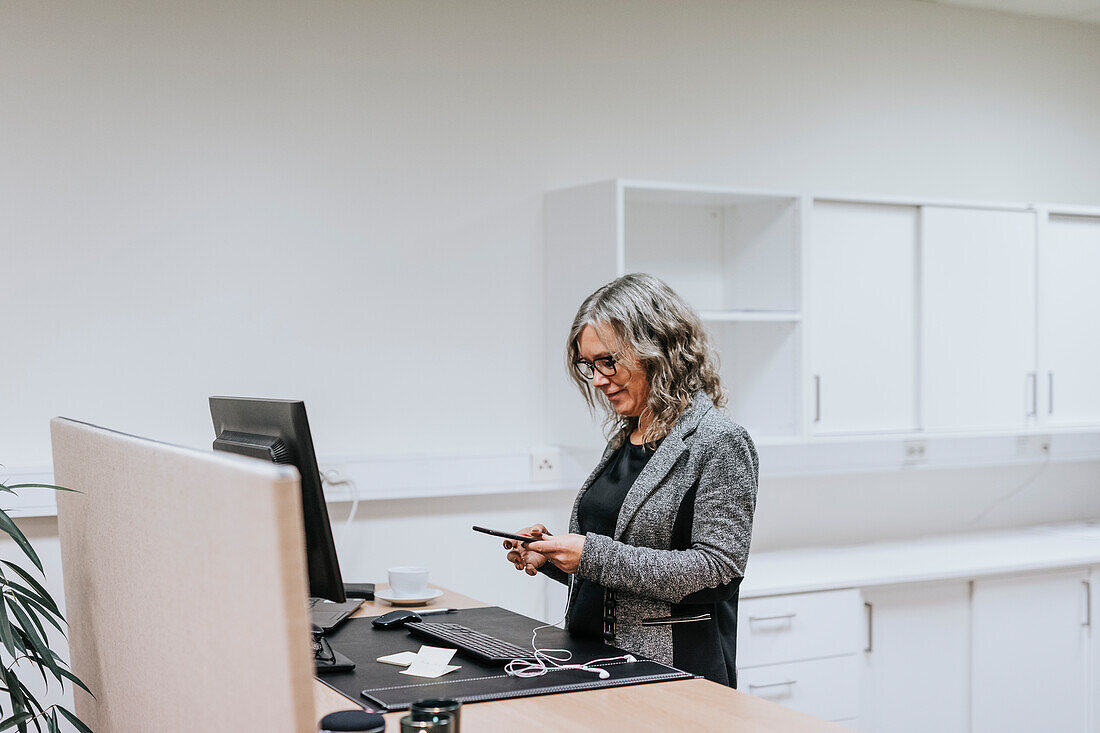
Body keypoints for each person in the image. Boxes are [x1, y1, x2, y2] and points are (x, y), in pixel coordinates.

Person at [503, 272, 758, 686]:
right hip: (594, 661)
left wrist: (590, 554)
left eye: (608, 361)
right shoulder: (627, 435)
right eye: (590, 365)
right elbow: (615, 567)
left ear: (657, 350)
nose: (599, 379)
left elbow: (718, 570)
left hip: (670, 674)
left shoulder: (719, 441)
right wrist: (552, 555)